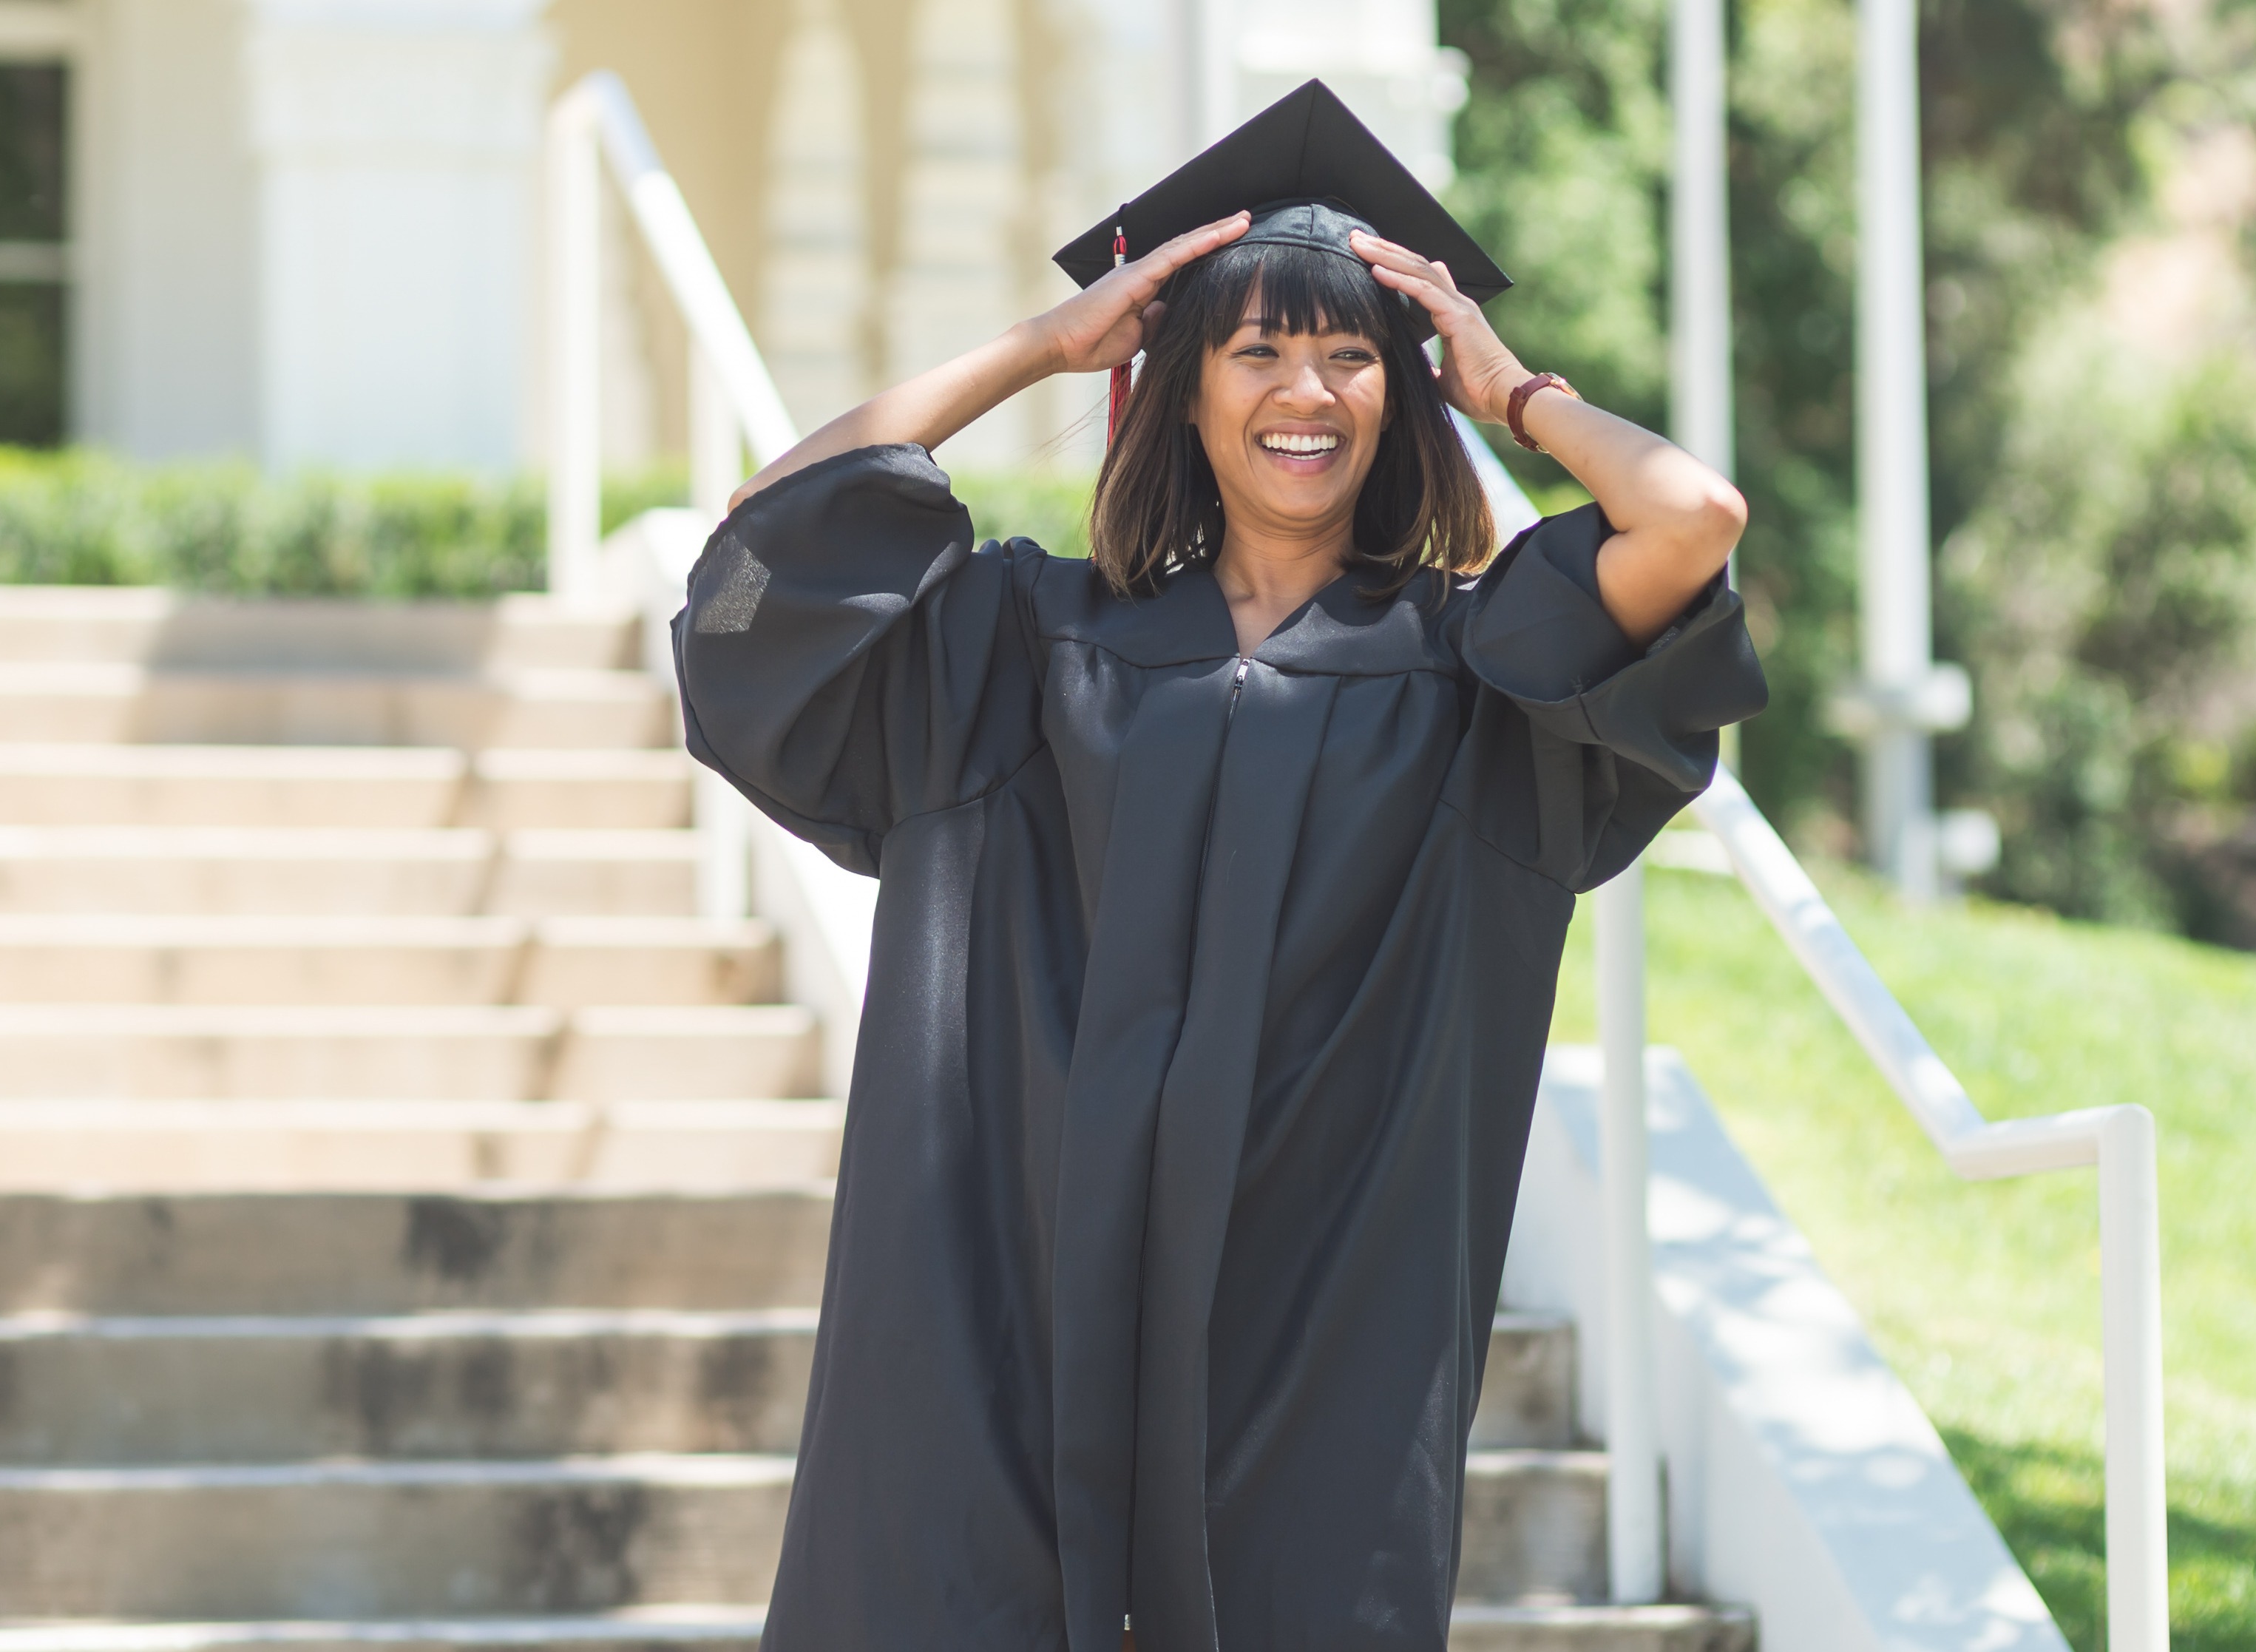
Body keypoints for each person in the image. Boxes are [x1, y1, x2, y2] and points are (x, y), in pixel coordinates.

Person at [676, 82, 1766, 1652]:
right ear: (1179, 389)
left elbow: (1691, 513)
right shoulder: (1025, 646)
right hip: (1010, 1284)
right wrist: (1046, 348)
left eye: (1347, 355)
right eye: (1254, 349)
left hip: (1315, 1318)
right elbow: (771, 524)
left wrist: (1515, 392)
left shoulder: (1474, 675)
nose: (1303, 390)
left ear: (1402, 395)